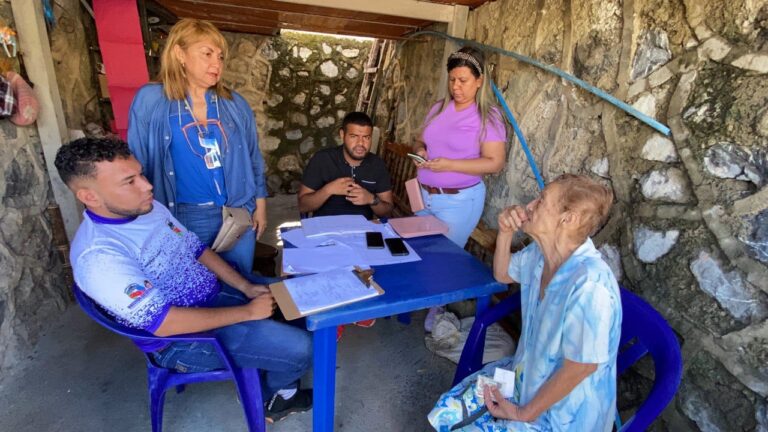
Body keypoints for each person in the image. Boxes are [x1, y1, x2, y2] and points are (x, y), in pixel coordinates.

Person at [56, 138, 312, 423]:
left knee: (302, 298)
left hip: (217, 295)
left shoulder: (147, 208)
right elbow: (165, 324)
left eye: (140, 174)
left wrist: (245, 286)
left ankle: (271, 358)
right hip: (182, 342)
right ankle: (272, 398)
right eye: (129, 181)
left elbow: (196, 249)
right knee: (303, 348)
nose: (147, 186)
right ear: (89, 196)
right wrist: (248, 312)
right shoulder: (99, 257)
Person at [428, 174, 622, 431]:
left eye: (541, 201)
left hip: (563, 415)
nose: (529, 206)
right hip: (524, 378)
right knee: (446, 412)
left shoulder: (590, 285)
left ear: (568, 219)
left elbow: (582, 366)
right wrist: (505, 232)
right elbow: (503, 274)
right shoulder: (541, 253)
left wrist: (522, 413)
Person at [128, 18, 266, 275]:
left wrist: (260, 207)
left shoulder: (234, 103)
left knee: (240, 284)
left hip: (237, 212)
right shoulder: (151, 100)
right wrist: (144, 219)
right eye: (207, 53)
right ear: (180, 54)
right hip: (182, 216)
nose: (217, 63)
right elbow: (138, 163)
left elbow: (253, 157)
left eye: (220, 57)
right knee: (194, 288)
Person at [412, 46, 507, 248]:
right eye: (452, 79)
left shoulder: (488, 116)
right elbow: (420, 140)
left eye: (463, 80)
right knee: (418, 251)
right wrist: (420, 151)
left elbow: (495, 163)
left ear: (479, 81)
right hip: (422, 195)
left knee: (443, 257)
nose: (456, 86)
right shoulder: (438, 108)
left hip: (458, 202)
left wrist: (450, 165)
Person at [298, 111, 393, 219]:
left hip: (361, 227)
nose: (361, 143)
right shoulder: (322, 159)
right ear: (342, 134)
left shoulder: (377, 165)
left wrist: (371, 199)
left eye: (366, 137)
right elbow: (303, 206)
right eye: (354, 136)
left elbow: (387, 212)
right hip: (325, 226)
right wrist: (328, 190)